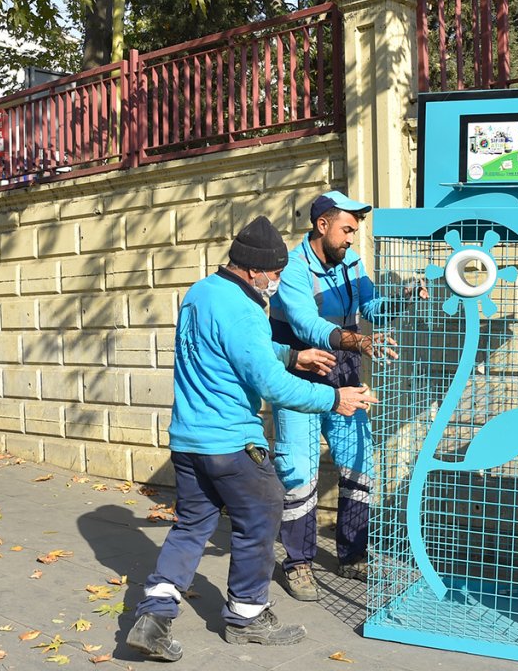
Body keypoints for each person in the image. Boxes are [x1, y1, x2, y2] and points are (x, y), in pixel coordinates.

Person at [126, 216, 379, 662]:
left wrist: (293, 353)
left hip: (187, 442)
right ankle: (247, 616)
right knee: (260, 515)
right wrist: (333, 398)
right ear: (254, 269)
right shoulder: (243, 309)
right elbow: (272, 385)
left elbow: (233, 347)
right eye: (275, 275)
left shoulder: (202, 292)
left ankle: (154, 615)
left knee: (191, 527)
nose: (276, 284)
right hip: (230, 443)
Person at [266, 190, 396, 599]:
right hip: (301, 374)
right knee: (299, 469)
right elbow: (305, 325)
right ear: (322, 225)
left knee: (360, 461)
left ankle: (353, 554)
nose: (351, 239)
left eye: (354, 232)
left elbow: (372, 305)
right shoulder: (293, 268)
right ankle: (299, 563)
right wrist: (357, 341)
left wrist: (405, 298)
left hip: (343, 372)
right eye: (346, 230)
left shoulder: (350, 262)